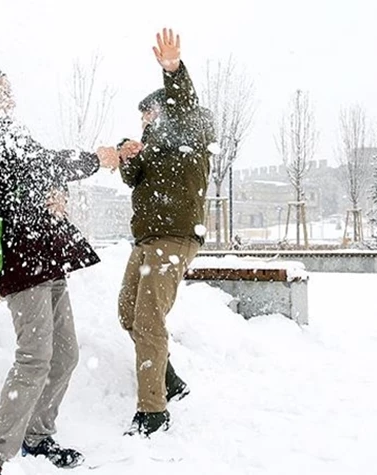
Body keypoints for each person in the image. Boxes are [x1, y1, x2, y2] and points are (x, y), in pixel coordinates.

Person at [0, 66, 120, 475]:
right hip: (20, 256)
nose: (11, 96)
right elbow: (38, 163)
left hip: (45, 251)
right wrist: (94, 161)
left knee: (65, 354)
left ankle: (37, 437)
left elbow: (34, 173)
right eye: (1, 90)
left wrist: (57, 192)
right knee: (35, 357)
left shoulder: (5, 130)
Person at [116, 28, 215, 437]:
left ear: (166, 110)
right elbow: (132, 179)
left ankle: (153, 411)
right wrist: (126, 154)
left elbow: (185, 104)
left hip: (174, 238)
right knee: (128, 312)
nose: (145, 121)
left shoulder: (191, 131)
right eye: (142, 118)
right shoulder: (152, 148)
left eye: (149, 114)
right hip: (147, 240)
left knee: (149, 320)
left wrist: (172, 70)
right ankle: (169, 378)